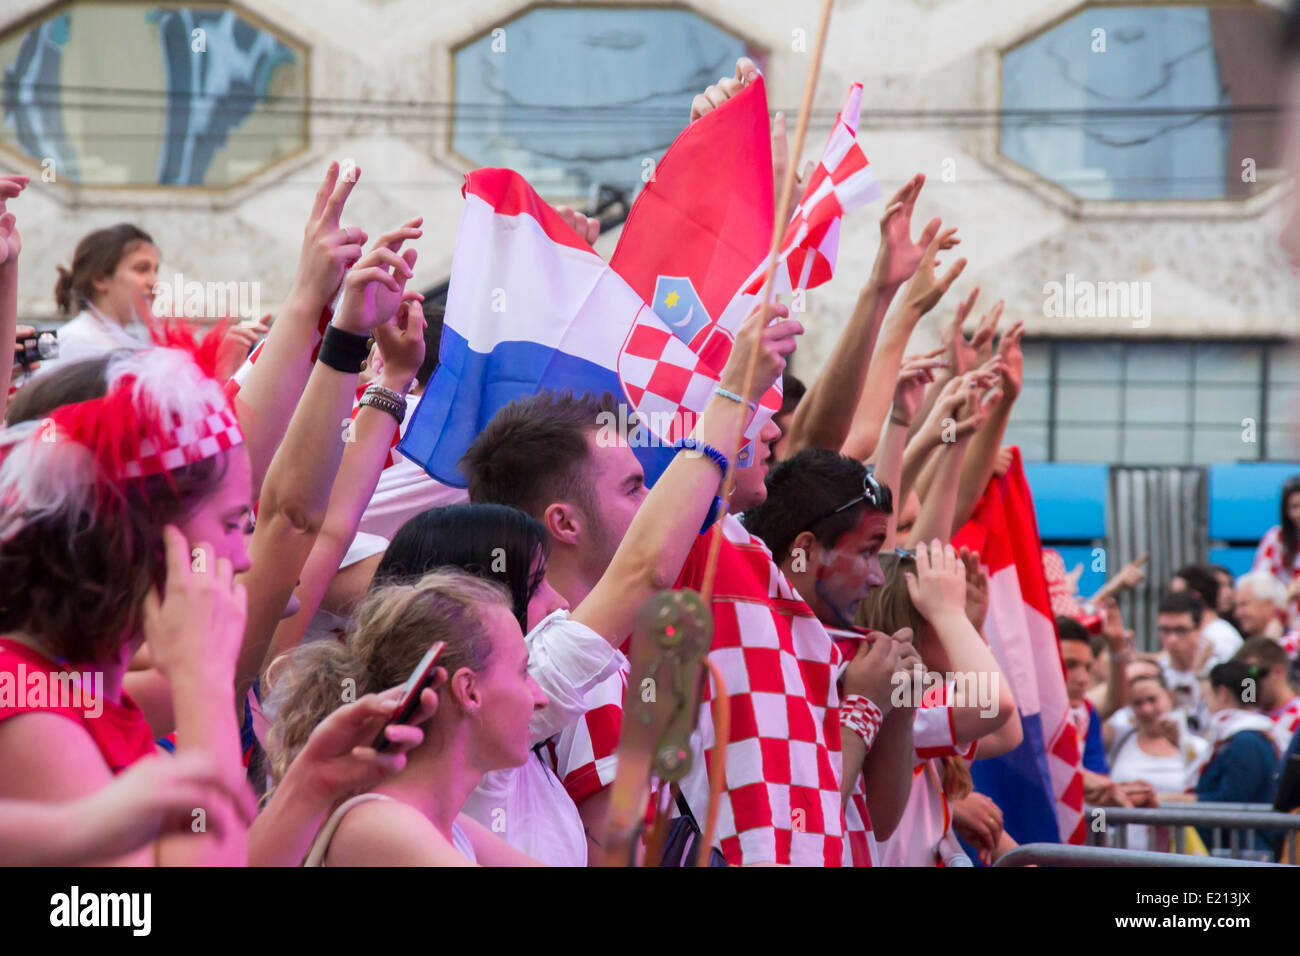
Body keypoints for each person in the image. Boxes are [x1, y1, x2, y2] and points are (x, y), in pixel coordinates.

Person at [0, 339, 254, 865]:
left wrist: (313, 789)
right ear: (133, 533)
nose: (244, 558)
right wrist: (203, 684)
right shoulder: (27, 713)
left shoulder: (85, 692)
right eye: (231, 525)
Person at [266, 569, 547, 866]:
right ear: (469, 691)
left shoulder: (442, 824)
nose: (541, 698)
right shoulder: (382, 824)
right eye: (523, 672)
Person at [849, 547, 1022, 866]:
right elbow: (994, 704)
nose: (955, 629)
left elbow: (1006, 734)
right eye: (937, 615)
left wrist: (973, 628)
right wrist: (951, 617)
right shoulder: (896, 699)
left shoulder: (913, 697)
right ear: (913, 625)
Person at [1106, 672, 1209, 851]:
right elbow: (1091, 710)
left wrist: (1181, 744)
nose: (1146, 709)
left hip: (1180, 853)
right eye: (1137, 703)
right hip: (1124, 853)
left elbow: (1206, 794)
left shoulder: (1197, 747)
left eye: (1152, 699)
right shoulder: (1119, 738)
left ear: (1168, 696)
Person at [1155, 591, 1213, 736]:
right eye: (1165, 630)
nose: (1172, 639)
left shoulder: (1217, 670)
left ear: (1199, 628)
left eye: (1181, 630)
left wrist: (1201, 676)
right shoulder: (1154, 673)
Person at [1233, 637, 1300, 753]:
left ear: (1277, 672)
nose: (1249, 686)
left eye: (1253, 676)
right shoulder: (1245, 717)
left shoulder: (1297, 718)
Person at [1251, 474, 1300, 628]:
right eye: (1295, 506)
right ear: (1286, 512)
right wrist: (1287, 594)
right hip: (1280, 622)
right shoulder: (1275, 539)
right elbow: (1259, 586)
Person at [1171, 564, 1243, 664]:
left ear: (1195, 597)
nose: (1170, 602)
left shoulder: (1220, 637)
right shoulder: (1201, 633)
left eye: (1177, 596)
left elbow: (1244, 679)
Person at [1234, 570, 1288, 640]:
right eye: (1236, 606)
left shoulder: (1293, 641)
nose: (1237, 613)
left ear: (1268, 605)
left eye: (1244, 604)